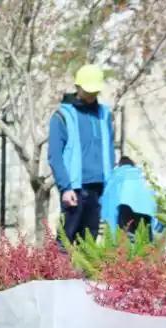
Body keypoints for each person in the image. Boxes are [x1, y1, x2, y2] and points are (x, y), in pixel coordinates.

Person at [48, 64, 115, 243]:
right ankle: (56, 264)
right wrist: (65, 188)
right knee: (65, 242)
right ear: (77, 87)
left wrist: (110, 184)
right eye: (88, 90)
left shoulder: (105, 115)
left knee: (89, 244)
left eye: (95, 91)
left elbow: (110, 150)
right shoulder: (62, 116)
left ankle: (83, 266)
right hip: (74, 189)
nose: (92, 95)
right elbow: (55, 156)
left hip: (99, 189)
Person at [100, 156, 157, 238]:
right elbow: (153, 198)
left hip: (124, 210)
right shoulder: (141, 176)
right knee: (145, 238)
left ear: (119, 165)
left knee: (126, 239)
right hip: (145, 212)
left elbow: (107, 197)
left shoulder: (115, 175)